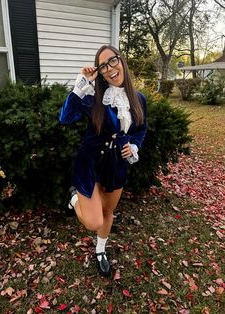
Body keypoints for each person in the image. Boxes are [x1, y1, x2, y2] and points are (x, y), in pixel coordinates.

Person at [59, 45, 147, 276]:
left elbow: (140, 129)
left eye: (113, 61)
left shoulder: (139, 99)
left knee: (108, 212)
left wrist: (135, 145)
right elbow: (65, 118)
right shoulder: (93, 95)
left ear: (122, 61)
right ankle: (73, 197)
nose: (109, 68)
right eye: (103, 66)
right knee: (93, 221)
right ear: (100, 71)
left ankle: (100, 251)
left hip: (116, 166)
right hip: (90, 164)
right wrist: (83, 82)